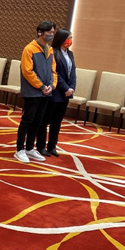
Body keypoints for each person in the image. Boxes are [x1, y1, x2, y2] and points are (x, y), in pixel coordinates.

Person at [14, 20, 57, 164]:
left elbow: (53, 71)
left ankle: (29, 148)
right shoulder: (29, 49)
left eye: (53, 32)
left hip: (46, 92)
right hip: (33, 92)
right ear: (40, 33)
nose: (51, 35)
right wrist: (41, 86)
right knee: (27, 120)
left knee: (38, 121)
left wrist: (51, 85)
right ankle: (19, 149)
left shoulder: (50, 50)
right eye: (49, 32)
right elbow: (27, 71)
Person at [37, 29, 76, 157]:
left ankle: (52, 146)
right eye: (68, 38)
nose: (70, 40)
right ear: (61, 39)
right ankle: (41, 146)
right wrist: (65, 88)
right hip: (55, 92)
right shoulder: (53, 52)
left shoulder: (70, 54)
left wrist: (72, 88)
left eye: (71, 38)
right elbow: (55, 74)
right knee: (45, 120)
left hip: (66, 94)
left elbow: (73, 73)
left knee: (57, 122)